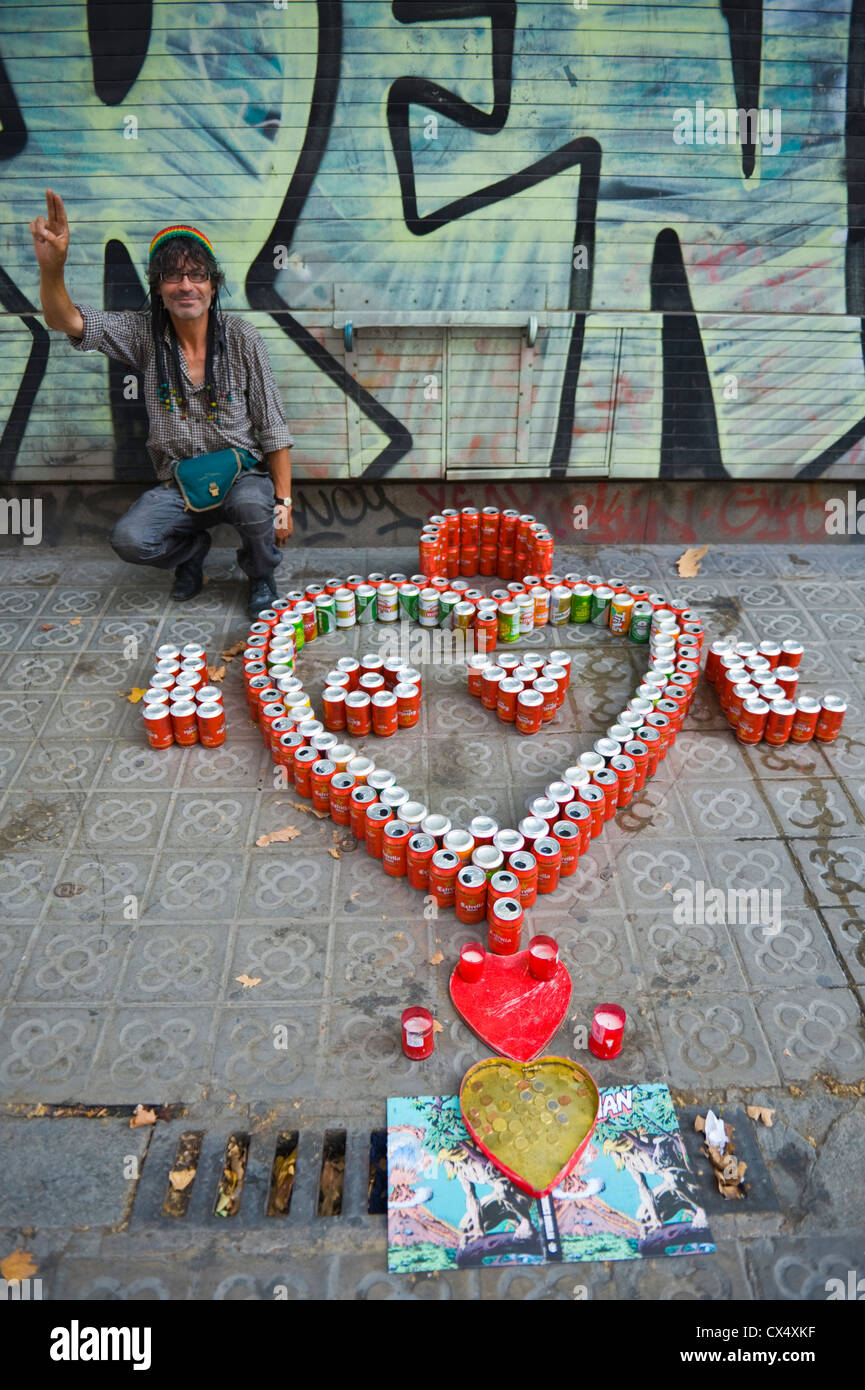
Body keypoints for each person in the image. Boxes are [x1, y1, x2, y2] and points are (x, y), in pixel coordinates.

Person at [30, 189, 294, 619]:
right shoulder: (143, 335)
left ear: (214, 283)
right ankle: (191, 553)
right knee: (130, 539)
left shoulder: (244, 338)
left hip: (243, 474)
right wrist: (52, 268)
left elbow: (273, 427)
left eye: (196, 274)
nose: (185, 285)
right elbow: (66, 320)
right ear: (157, 286)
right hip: (179, 482)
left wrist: (284, 503)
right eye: (172, 276)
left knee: (252, 507)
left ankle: (260, 573)